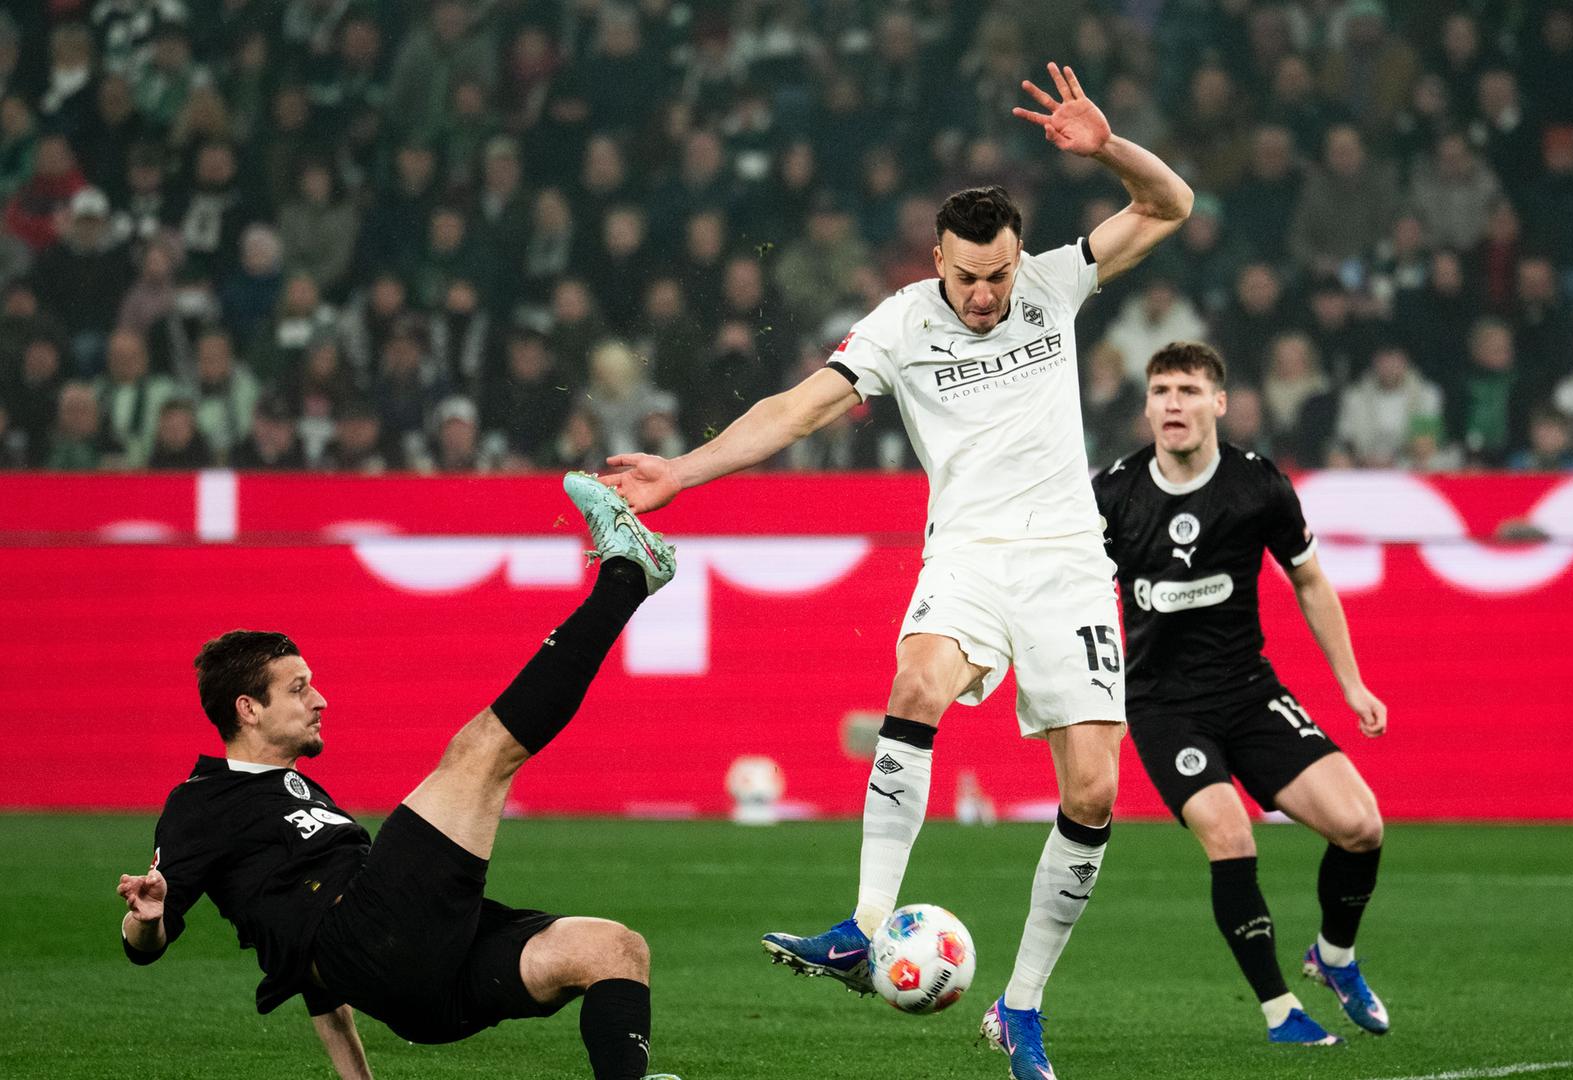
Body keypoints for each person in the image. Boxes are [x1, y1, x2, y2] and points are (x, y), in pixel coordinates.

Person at [597, 61, 1191, 1080]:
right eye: (967, 277)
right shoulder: (901, 323)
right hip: (966, 555)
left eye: (998, 274)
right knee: (916, 685)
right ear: (936, 260)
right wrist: (681, 474)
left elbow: (1170, 205)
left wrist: (1109, 151)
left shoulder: (1054, 284)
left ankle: (1020, 1007)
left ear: (1016, 256)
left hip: (1064, 564)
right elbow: (796, 410)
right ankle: (865, 927)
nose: (984, 295)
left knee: (1094, 793)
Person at [116, 474, 680, 1080]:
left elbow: (304, 967)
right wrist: (144, 920)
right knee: (481, 752)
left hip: (420, 980)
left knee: (615, 950)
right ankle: (626, 574)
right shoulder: (201, 801)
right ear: (247, 710)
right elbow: (148, 943)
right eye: (298, 688)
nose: (320, 700)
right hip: (376, 942)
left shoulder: (297, 794)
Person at [1092, 342, 1389, 1049]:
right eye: (1161, 391)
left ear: (1219, 404)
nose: (1173, 403)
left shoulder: (1257, 486)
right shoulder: (1114, 495)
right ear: (1146, 407)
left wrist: (1351, 683)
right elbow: (1070, 595)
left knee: (1362, 827)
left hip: (1250, 693)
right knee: (1230, 835)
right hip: (1165, 707)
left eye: (1189, 390)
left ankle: (1334, 957)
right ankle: (1281, 1012)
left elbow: (1309, 580)